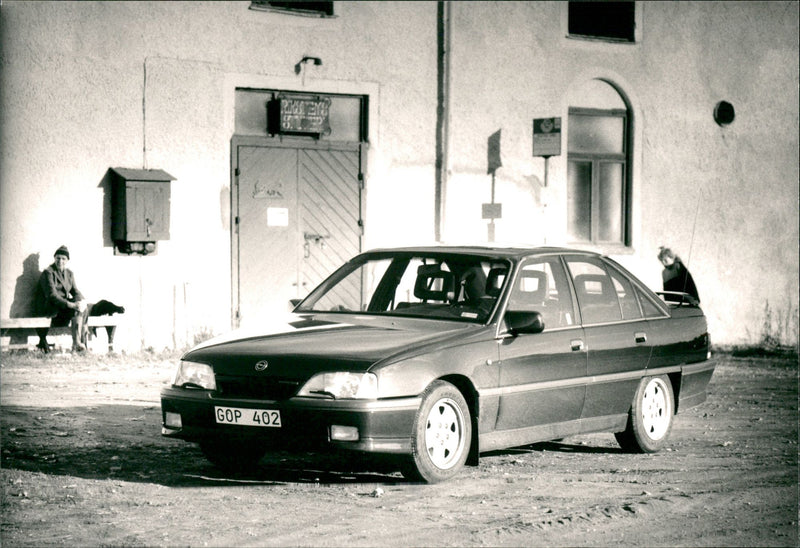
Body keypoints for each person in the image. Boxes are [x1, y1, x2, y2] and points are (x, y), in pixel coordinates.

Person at [34, 245, 88, 352]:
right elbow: (51, 296)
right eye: (58, 258)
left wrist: (82, 301)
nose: (60, 261)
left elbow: (75, 291)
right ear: (54, 258)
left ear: (67, 260)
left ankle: (78, 343)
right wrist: (71, 304)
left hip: (63, 308)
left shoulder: (69, 274)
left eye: (63, 258)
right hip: (51, 308)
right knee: (76, 308)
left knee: (83, 308)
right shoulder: (48, 272)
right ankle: (78, 343)